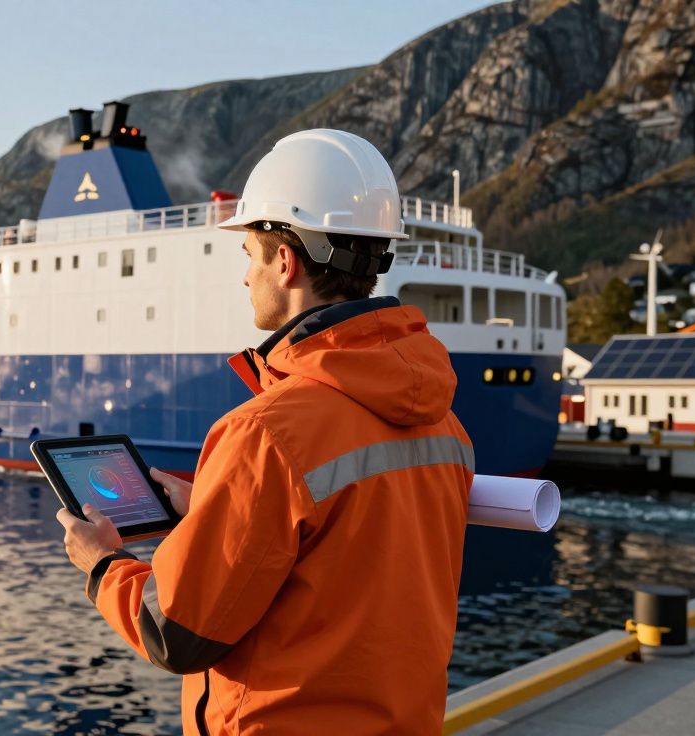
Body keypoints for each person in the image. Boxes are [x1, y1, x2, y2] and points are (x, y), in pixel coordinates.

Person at [57, 129, 474, 735]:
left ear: (285, 262)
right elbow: (350, 552)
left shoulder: (267, 433)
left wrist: (101, 563)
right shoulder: (444, 420)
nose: (245, 278)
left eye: (248, 256)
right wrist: (211, 510)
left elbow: (175, 634)